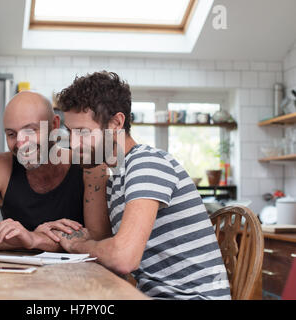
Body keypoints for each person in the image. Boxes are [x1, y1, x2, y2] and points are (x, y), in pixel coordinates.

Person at [51, 71, 231, 300]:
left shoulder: (146, 163)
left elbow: (123, 257)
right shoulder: (117, 177)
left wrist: (77, 247)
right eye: (70, 132)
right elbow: (112, 248)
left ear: (116, 123)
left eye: (82, 132)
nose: (74, 143)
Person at [0, 91, 111, 252]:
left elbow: (99, 239)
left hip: (78, 275)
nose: (21, 143)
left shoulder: (91, 167)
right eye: (11, 134)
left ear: (55, 125)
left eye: (30, 130)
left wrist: (34, 239)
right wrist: (25, 239)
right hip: (16, 273)